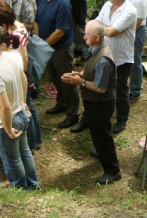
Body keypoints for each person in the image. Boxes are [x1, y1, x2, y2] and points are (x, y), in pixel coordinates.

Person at [0, 29, 40, 190]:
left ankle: (20, 190)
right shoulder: (10, 57)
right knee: (24, 152)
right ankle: (33, 186)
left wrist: (7, 129)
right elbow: (24, 78)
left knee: (12, 159)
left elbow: (3, 106)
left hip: (6, 122)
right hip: (20, 114)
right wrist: (23, 102)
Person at [61, 20, 122, 184]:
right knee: (98, 133)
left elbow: (100, 88)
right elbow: (90, 68)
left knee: (102, 135)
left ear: (97, 37)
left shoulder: (104, 60)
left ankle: (112, 170)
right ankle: (102, 152)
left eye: (87, 34)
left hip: (100, 103)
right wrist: (80, 74)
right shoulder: (94, 48)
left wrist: (78, 82)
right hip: (93, 102)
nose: (84, 36)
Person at [0, 4, 42, 151]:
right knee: (28, 106)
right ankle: (36, 139)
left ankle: (33, 141)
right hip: (18, 75)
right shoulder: (17, 25)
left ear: (4, 23)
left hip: (21, 77)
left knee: (26, 107)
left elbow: (24, 63)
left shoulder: (16, 35)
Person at [35, 0, 80, 129]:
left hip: (61, 49)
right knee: (54, 78)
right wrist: (38, 41)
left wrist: (42, 46)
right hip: (46, 48)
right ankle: (61, 103)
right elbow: (36, 21)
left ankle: (73, 114)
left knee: (67, 80)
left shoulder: (63, 4)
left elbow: (60, 31)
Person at [96, 0, 137, 134]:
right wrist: (105, 29)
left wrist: (102, 29)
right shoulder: (107, 5)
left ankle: (121, 119)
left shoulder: (130, 11)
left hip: (121, 57)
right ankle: (100, 115)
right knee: (102, 85)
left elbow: (112, 31)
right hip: (105, 53)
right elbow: (99, 23)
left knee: (120, 89)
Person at [117, 0, 147, 103]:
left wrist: (122, 34)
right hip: (124, 29)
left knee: (135, 61)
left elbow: (137, 23)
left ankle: (135, 90)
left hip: (136, 31)